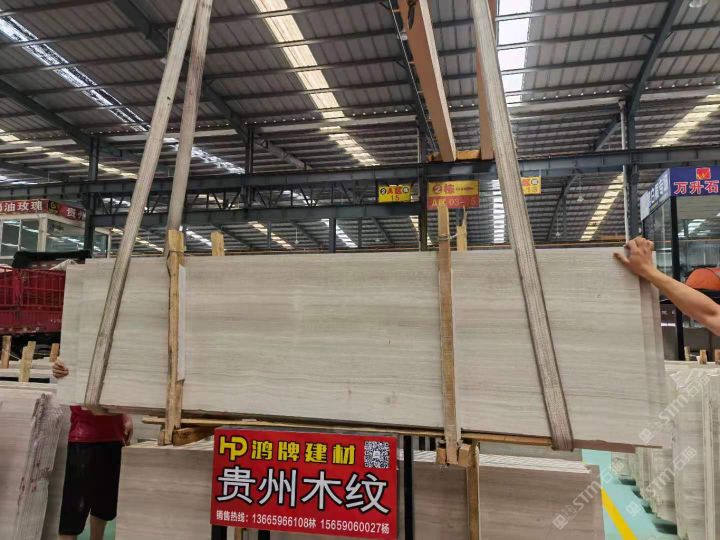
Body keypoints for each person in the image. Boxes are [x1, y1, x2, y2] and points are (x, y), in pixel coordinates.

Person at [52, 360, 133, 540]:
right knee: (73, 507)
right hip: (83, 438)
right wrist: (58, 369)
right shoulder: (79, 350)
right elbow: (64, 366)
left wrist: (126, 417)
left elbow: (121, 383)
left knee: (104, 503)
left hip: (113, 436)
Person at [615, 236, 720, 336]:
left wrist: (647, 270)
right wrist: (647, 270)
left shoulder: (701, 275)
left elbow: (712, 314)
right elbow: (711, 314)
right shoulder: (701, 275)